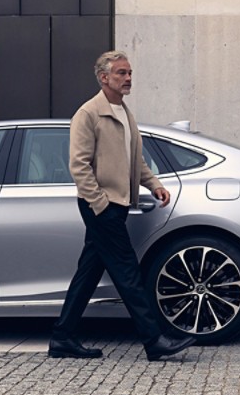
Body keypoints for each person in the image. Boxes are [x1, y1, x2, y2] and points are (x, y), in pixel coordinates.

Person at [48, 51, 197, 361]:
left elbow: (134, 160)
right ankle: (154, 340)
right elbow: (79, 166)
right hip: (101, 207)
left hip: (116, 205)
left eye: (129, 73)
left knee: (88, 273)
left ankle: (63, 337)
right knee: (128, 273)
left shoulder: (124, 113)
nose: (128, 78)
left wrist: (154, 184)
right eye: (121, 73)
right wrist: (100, 204)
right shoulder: (88, 114)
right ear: (104, 77)